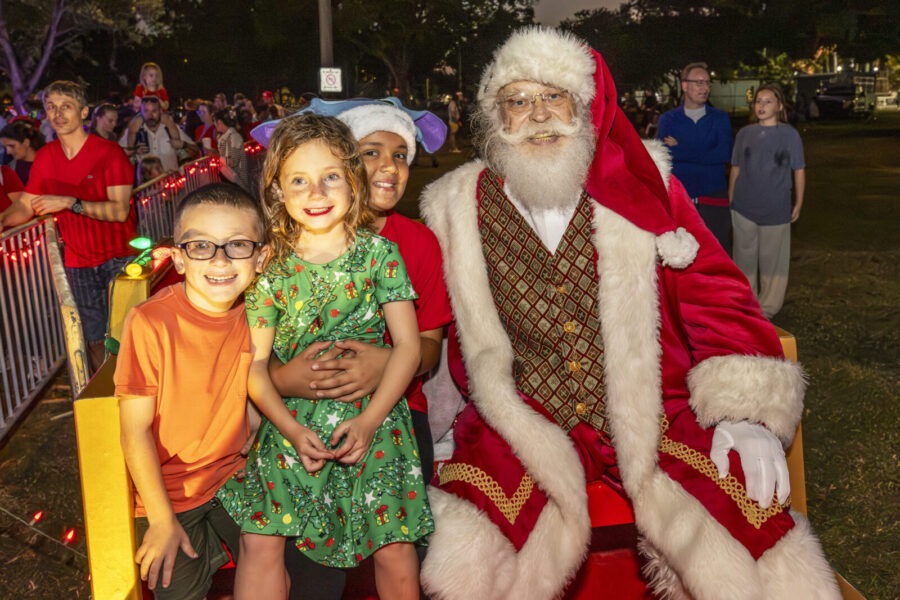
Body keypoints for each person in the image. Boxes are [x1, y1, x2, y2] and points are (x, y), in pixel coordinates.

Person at [418, 27, 839, 600]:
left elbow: (716, 290)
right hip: (519, 417)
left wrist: (747, 409)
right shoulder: (453, 206)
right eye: (519, 101)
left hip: (652, 409)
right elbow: (430, 318)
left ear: (582, 107)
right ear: (495, 118)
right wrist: (433, 420)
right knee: (471, 550)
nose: (539, 116)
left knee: (749, 528)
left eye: (554, 97)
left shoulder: (643, 182)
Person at [216, 113, 433, 600]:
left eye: (329, 177)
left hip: (375, 426)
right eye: (299, 181)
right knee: (261, 539)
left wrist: (371, 420)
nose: (316, 193)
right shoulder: (268, 269)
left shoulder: (381, 256)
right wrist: (289, 431)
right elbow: (256, 365)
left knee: (395, 547)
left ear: (353, 182)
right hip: (292, 424)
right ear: (278, 193)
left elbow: (409, 346)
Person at [115, 183, 269, 599]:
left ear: (262, 256)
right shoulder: (151, 323)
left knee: (280, 571)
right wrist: (162, 520)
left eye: (237, 245)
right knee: (176, 588)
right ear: (180, 259)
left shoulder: (260, 312)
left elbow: (261, 380)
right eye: (202, 246)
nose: (220, 260)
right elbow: (135, 430)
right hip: (166, 493)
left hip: (232, 477)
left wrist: (252, 429)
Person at [0, 81, 137, 372]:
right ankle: (107, 397)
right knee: (93, 339)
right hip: (78, 263)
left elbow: (119, 210)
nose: (57, 114)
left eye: (66, 107)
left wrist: (69, 202)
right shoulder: (47, 157)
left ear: (84, 112)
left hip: (119, 258)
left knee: (127, 336)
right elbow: (26, 205)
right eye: (51, 107)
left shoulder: (110, 153)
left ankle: (135, 395)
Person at [729, 84, 806, 319]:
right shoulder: (744, 134)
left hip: (775, 207)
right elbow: (736, 167)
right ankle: (747, 305)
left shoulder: (789, 135)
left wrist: (799, 202)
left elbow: (799, 170)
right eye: (758, 101)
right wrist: (731, 197)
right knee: (744, 259)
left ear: (780, 106)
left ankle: (768, 309)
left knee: (774, 263)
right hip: (743, 207)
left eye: (768, 101)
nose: (761, 105)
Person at [657, 62, 733, 254]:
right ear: (684, 85)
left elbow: (722, 154)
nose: (705, 88)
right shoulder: (668, 120)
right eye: (699, 82)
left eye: (707, 83)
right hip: (679, 200)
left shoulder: (720, 118)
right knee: (680, 258)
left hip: (714, 200)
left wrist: (681, 148)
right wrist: (704, 151)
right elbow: (664, 156)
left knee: (716, 256)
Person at [123, 96, 197, 172]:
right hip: (147, 183)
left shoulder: (171, 128)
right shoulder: (133, 130)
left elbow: (196, 150)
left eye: (154, 111)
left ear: (160, 111)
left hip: (172, 181)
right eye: (146, 111)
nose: (150, 115)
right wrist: (134, 151)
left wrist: (183, 144)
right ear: (141, 112)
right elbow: (118, 154)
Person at [0, 118, 46, 185]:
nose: (8, 152)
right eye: (5, 147)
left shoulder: (48, 166)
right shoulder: (12, 166)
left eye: (12, 146)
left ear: (26, 142)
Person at [213, 108, 249, 191]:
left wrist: (217, 156)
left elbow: (233, 161)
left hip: (237, 180)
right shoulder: (226, 137)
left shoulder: (234, 137)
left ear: (219, 122)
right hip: (231, 178)